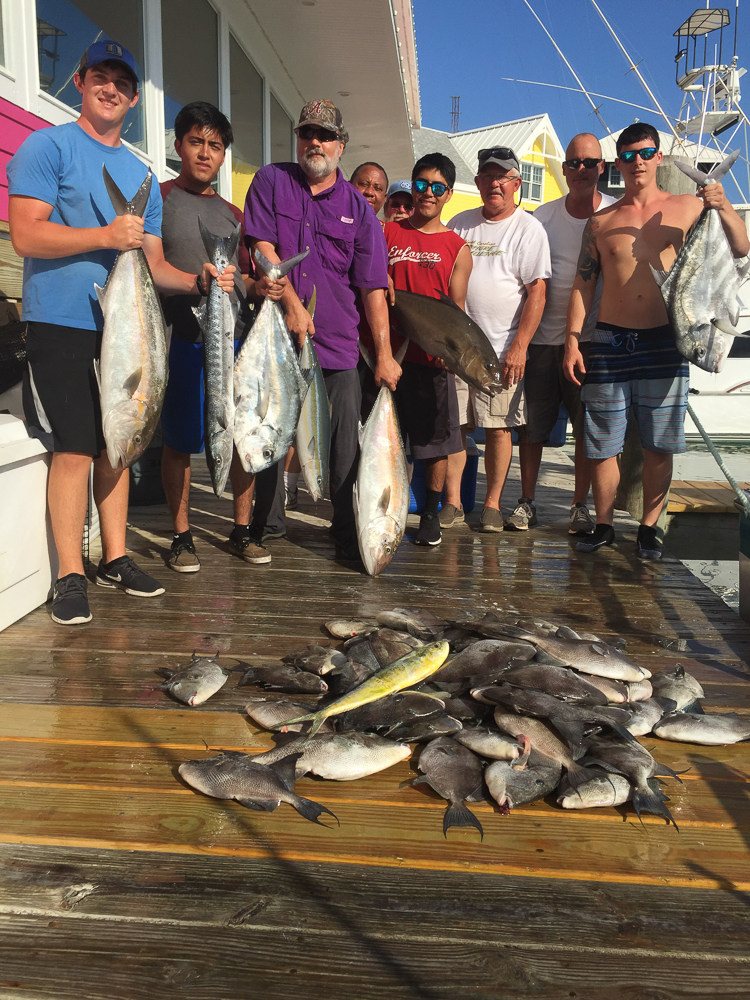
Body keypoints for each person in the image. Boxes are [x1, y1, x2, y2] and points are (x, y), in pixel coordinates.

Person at [7, 41, 236, 625]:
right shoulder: (47, 146)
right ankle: (68, 574)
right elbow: (28, 237)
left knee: (121, 441)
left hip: (129, 326)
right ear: (80, 82)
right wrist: (105, 238)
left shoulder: (140, 173)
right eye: (100, 77)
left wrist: (199, 280)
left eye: (122, 83)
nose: (110, 89)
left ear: (134, 99)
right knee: (76, 444)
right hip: (61, 320)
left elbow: (154, 264)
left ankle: (116, 556)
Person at [563, 122, 750, 558]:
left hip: (668, 338)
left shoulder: (689, 206)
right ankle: (605, 523)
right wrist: (574, 340)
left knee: (659, 444)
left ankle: (649, 527)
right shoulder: (601, 221)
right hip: (609, 340)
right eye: (628, 156)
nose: (638, 162)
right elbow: (582, 285)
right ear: (618, 163)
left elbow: (741, 250)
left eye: (645, 153)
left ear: (659, 157)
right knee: (601, 442)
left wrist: (722, 206)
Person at [244, 99, 398, 560]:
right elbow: (261, 246)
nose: (316, 142)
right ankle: (267, 523)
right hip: (275, 336)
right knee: (272, 427)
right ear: (299, 138)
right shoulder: (272, 181)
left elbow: (372, 288)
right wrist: (290, 301)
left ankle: (347, 530)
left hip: (338, 345)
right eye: (308, 132)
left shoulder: (360, 210)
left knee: (343, 444)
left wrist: (386, 354)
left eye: (326, 135)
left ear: (340, 145)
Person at [159, 102, 286, 573]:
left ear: (224, 154)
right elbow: (151, 267)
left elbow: (246, 281)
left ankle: (241, 529)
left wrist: (263, 285)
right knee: (179, 441)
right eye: (196, 141)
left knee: (239, 436)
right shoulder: (160, 198)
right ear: (178, 145)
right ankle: (181, 536)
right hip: (179, 337)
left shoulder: (233, 213)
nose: (205, 152)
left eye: (215, 145)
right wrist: (197, 282)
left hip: (232, 341)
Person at [444, 146, 550, 533]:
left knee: (498, 428)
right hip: (457, 347)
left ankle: (491, 504)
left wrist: (519, 347)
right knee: (454, 425)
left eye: (503, 177)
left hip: (501, 351)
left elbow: (537, 292)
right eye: (488, 177)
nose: (495, 184)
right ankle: (453, 503)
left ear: (516, 183)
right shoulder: (459, 224)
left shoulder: (529, 229)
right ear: (477, 183)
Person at [519, 134, 618, 536]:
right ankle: (527, 501)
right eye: (574, 163)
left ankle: (580, 506)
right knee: (532, 428)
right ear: (563, 169)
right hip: (542, 339)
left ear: (602, 167)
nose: (581, 170)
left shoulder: (615, 214)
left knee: (586, 429)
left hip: (592, 341)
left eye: (589, 163)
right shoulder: (540, 218)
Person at [377, 152, 473, 546]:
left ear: (448, 194)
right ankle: (382, 508)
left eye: (436, 187)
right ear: (412, 186)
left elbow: (457, 311)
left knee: (434, 446)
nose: (427, 193)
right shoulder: (387, 233)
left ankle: (430, 514)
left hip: (430, 361)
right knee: (384, 441)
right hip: (387, 357)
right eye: (420, 184)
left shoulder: (458, 247)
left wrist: (449, 354)